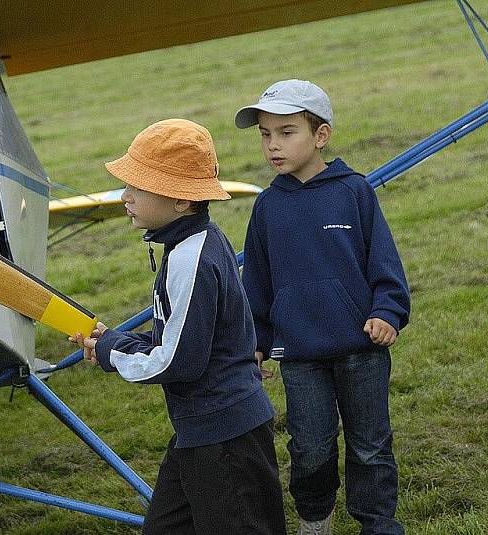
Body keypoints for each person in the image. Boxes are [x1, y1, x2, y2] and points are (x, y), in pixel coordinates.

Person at [73, 118, 286, 535]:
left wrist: (111, 353)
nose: (125, 197)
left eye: (139, 187)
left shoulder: (190, 258)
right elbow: (184, 337)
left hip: (225, 436)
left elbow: (178, 362)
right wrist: (120, 341)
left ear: (182, 202)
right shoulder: (195, 241)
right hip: (201, 430)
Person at [235, 79, 410, 535]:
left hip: (362, 348)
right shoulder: (267, 207)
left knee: (370, 447)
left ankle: (379, 524)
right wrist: (257, 343)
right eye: (265, 134)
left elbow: (384, 261)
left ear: (321, 135)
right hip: (299, 355)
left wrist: (387, 312)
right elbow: (256, 281)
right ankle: (316, 522)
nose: (273, 144)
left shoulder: (354, 190)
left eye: (287, 132)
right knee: (310, 448)